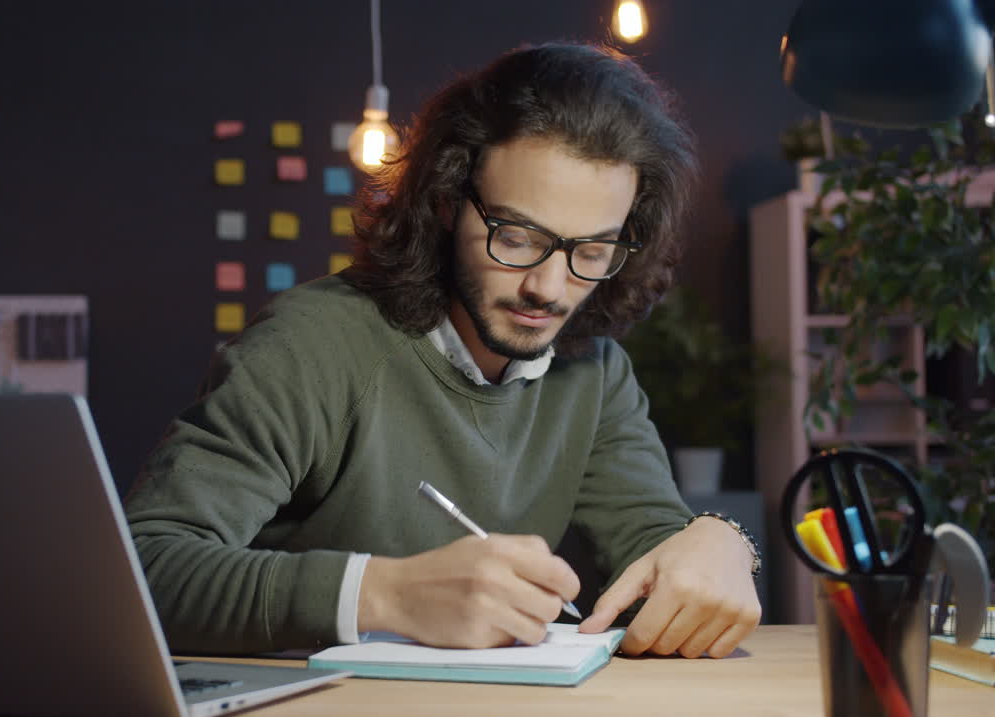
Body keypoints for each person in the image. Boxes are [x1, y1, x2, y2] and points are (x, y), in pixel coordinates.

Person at [126, 41, 761, 658]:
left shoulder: (594, 372)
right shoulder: (310, 342)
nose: (547, 288)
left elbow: (657, 560)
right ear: (446, 202)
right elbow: (145, 569)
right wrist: (386, 595)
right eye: (517, 236)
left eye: (592, 251)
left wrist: (720, 545)